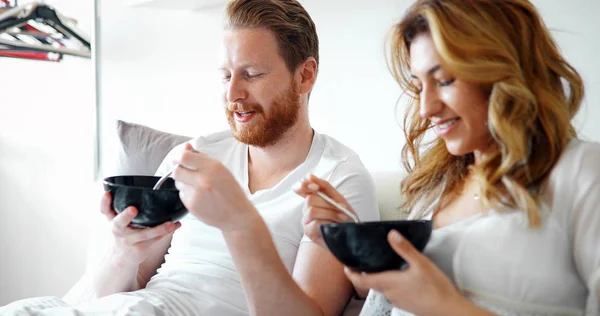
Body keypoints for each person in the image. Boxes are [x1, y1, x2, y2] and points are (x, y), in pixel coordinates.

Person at [0, 0, 379, 315]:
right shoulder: (198, 155)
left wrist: (239, 223)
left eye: (252, 74)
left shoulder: (336, 180)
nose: (233, 93)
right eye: (225, 75)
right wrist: (123, 252)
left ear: (305, 75)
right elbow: (105, 293)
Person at [295, 0, 600, 315]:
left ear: (505, 70)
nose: (426, 109)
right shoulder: (441, 186)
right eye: (418, 87)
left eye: (444, 81)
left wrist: (445, 307)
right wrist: (356, 241)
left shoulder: (582, 172)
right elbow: (388, 298)